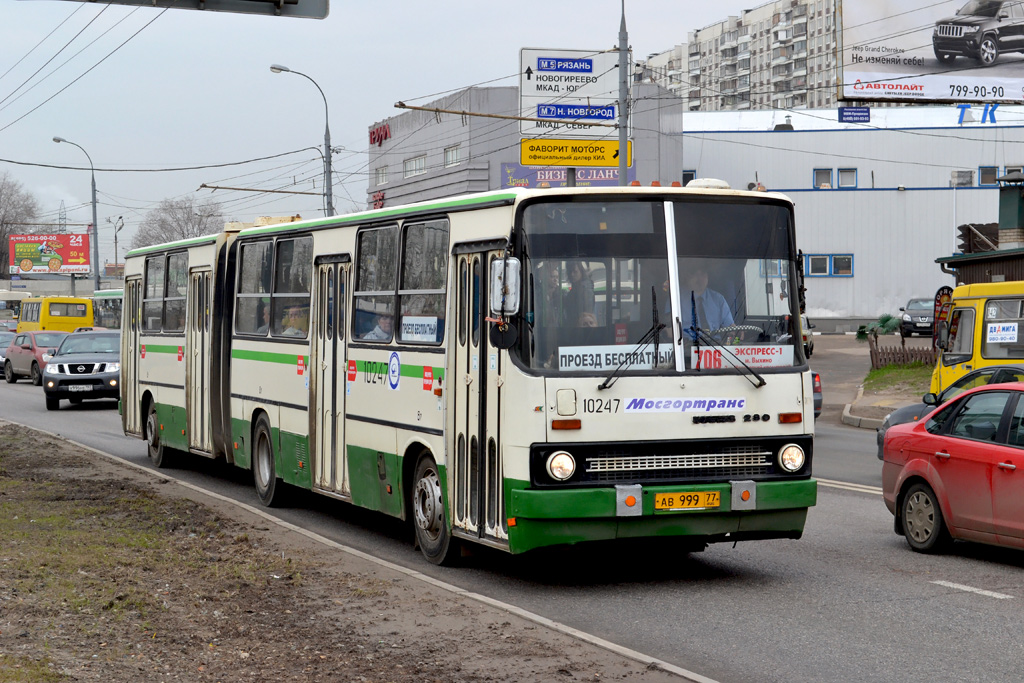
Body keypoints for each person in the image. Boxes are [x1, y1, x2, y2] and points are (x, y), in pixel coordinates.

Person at [680, 265, 734, 332]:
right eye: (695, 274)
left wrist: (735, 331)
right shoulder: (676, 300)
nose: (699, 279)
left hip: (716, 342)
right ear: (687, 277)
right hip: (688, 341)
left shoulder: (718, 299)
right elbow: (670, 329)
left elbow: (729, 327)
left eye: (703, 274)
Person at [563, 260, 595, 326]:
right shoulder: (575, 288)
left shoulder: (584, 289)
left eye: (575, 272)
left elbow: (586, 315)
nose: (572, 275)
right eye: (570, 272)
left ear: (581, 271)